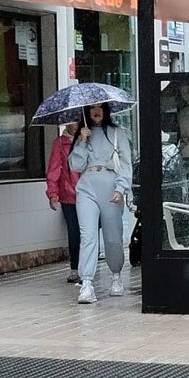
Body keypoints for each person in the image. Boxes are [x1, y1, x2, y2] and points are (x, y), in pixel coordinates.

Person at [68, 103, 131, 304]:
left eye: (100, 107)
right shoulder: (83, 134)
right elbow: (75, 166)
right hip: (86, 186)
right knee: (87, 235)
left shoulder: (117, 133)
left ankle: (116, 275)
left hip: (111, 186)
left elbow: (126, 162)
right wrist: (81, 141)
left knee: (112, 237)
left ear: (106, 111)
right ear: (86, 112)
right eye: (92, 108)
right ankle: (86, 282)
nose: (96, 111)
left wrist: (120, 188)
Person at [45, 121, 83, 284]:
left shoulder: (88, 139)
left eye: (76, 119)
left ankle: (87, 265)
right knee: (74, 232)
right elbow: (53, 169)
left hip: (88, 194)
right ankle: (75, 268)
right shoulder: (60, 143)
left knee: (89, 231)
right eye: (70, 121)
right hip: (69, 195)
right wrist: (53, 193)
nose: (73, 124)